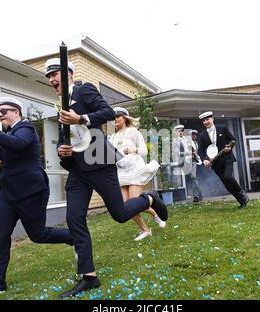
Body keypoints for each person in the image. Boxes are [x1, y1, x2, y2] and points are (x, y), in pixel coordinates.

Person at [45, 58, 168, 297]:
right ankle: (89, 276)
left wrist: (80, 118)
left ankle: (150, 198)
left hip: (99, 162)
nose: (51, 80)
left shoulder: (84, 90)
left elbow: (108, 112)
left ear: (68, 73)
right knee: (74, 218)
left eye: (55, 74)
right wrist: (62, 150)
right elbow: (66, 137)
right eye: (48, 77)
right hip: (78, 171)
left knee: (120, 214)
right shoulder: (59, 107)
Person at [0, 97, 74, 300]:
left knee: (38, 235)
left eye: (4, 111)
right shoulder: (4, 134)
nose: (0, 115)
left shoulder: (26, 129)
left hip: (31, 193)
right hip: (7, 195)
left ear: (17, 112)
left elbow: (16, 145)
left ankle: (76, 238)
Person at [109, 107, 165, 241]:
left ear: (125, 118)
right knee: (125, 206)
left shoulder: (133, 132)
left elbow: (144, 151)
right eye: (114, 117)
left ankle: (156, 215)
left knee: (134, 201)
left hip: (134, 170)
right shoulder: (113, 136)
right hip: (121, 172)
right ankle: (145, 230)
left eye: (118, 116)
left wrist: (133, 149)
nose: (115, 119)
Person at [197, 111, 249, 208]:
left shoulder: (222, 128)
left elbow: (232, 140)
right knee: (226, 184)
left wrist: (230, 147)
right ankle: (242, 201)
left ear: (212, 119)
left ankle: (241, 192)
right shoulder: (201, 136)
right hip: (216, 163)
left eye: (207, 119)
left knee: (228, 176)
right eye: (203, 121)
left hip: (227, 158)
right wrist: (204, 160)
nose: (206, 122)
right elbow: (200, 151)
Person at [189, 129, 203, 202]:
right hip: (189, 161)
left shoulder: (197, 143)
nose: (194, 135)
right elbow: (192, 152)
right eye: (192, 134)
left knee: (193, 178)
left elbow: (197, 152)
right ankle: (199, 193)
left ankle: (196, 196)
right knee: (193, 178)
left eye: (195, 134)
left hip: (196, 161)